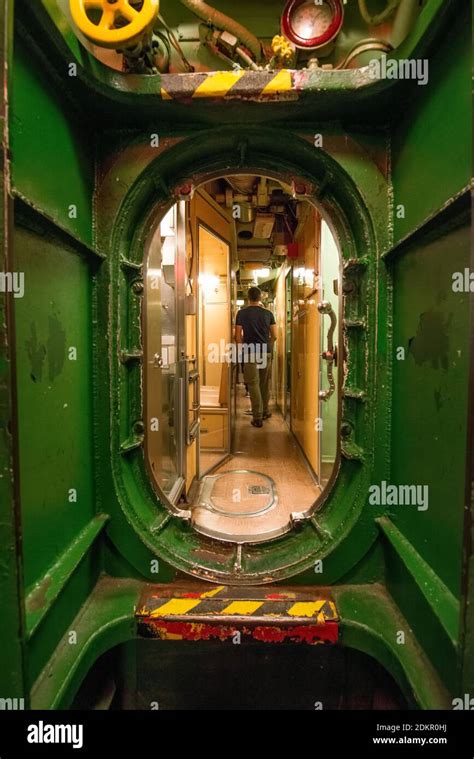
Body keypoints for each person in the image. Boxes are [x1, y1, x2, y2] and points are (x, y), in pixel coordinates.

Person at [234, 286, 277, 428]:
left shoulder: (241, 313)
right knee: (264, 383)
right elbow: (274, 335)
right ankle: (264, 411)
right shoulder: (268, 314)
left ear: (248, 298)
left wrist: (242, 350)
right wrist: (268, 347)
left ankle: (257, 416)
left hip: (249, 352)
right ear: (260, 298)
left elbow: (237, 336)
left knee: (253, 384)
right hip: (265, 352)